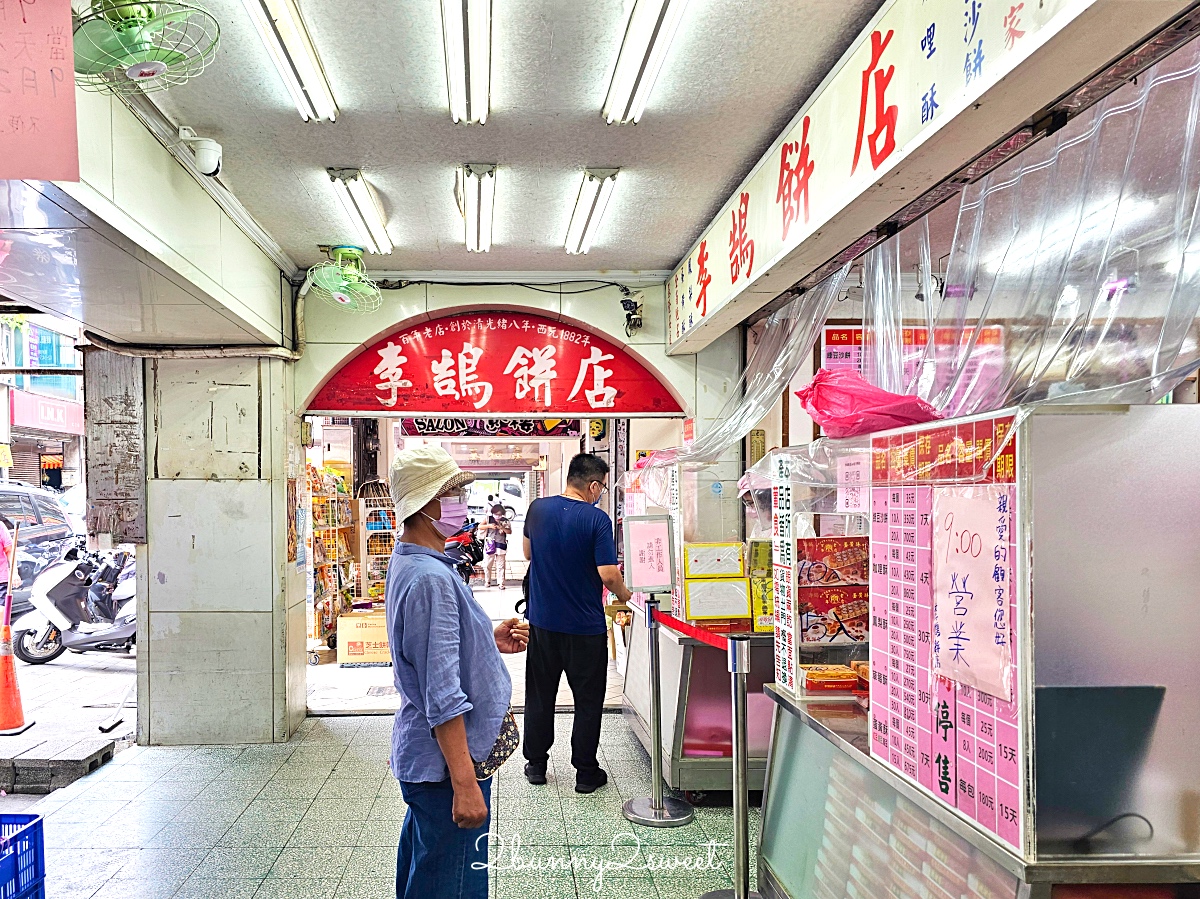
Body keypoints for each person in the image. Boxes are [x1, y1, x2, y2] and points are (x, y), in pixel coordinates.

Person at [385, 446, 529, 899]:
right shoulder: (429, 579)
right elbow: (442, 692)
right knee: (451, 884)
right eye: (453, 493)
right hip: (445, 768)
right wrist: (465, 785)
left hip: (432, 763)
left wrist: (485, 638)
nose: (461, 502)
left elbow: (433, 650)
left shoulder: (414, 561)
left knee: (428, 871)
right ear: (425, 506)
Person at [521, 453, 632, 793]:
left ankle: (536, 764)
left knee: (540, 694)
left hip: (542, 624)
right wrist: (627, 596)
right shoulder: (597, 520)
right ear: (594, 485)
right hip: (585, 629)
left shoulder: (537, 509)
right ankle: (585, 772)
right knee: (588, 699)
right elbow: (608, 575)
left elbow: (527, 553)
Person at [480, 503, 511, 589]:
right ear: (492, 513)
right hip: (490, 544)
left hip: (501, 545)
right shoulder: (488, 519)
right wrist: (489, 526)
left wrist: (502, 528)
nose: (498, 516)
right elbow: (480, 526)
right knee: (487, 564)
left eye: (500, 514)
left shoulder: (505, 521)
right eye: (496, 514)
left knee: (500, 565)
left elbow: (509, 531)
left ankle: (501, 583)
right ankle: (487, 581)